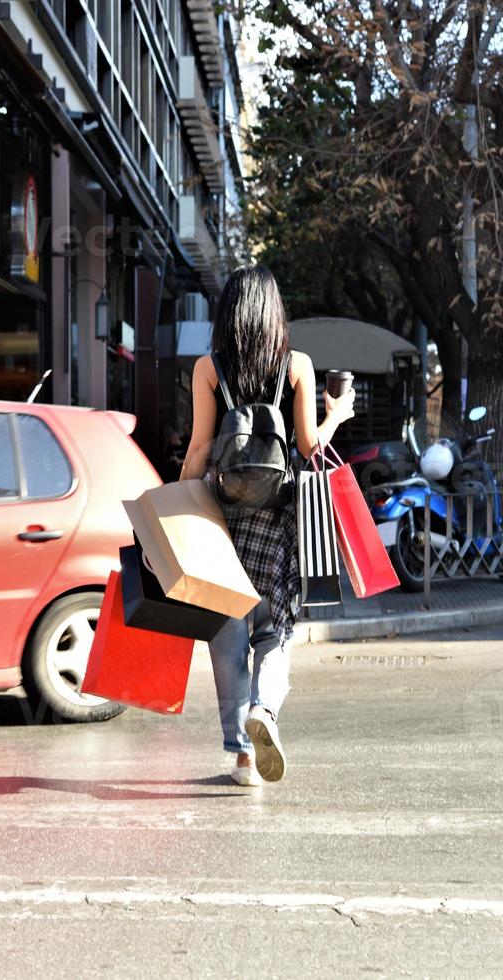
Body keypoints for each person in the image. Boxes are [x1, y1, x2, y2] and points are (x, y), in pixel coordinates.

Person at [180, 265, 356, 786]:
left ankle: (241, 757)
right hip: (280, 519)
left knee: (227, 634)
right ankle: (266, 712)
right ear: (274, 313)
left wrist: (171, 507)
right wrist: (336, 414)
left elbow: (198, 450)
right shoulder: (296, 365)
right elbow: (308, 448)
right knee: (275, 630)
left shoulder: (208, 370)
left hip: (223, 519)